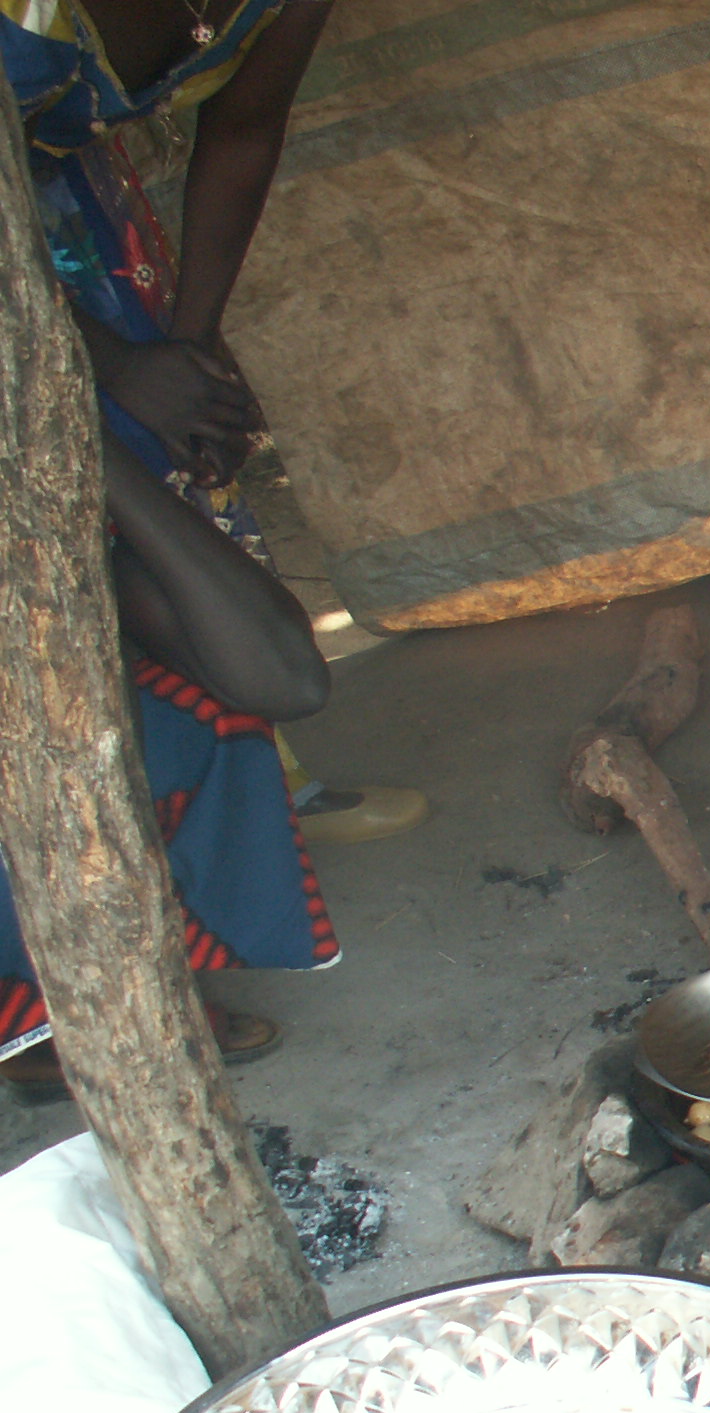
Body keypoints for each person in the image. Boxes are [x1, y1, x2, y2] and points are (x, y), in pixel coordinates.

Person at [3, 0, 389, 1077]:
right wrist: (90, 387)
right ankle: (36, 993)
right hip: (35, 310)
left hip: (67, 262)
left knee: (136, 656)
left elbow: (245, 124)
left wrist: (181, 355)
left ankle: (70, 970)